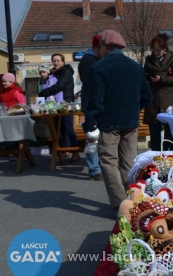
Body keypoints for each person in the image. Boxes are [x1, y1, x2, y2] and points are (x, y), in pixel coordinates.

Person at [83, 30, 152, 209]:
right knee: (130, 164)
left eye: (100, 47)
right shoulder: (136, 67)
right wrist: (133, 108)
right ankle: (135, 203)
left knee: (109, 164)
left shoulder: (99, 68)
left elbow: (95, 101)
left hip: (108, 124)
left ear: (105, 46)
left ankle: (121, 205)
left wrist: (90, 123)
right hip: (130, 122)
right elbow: (147, 97)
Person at [38, 53, 80, 162]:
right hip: (57, 104)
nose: (56, 63)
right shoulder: (56, 73)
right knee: (60, 129)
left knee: (68, 128)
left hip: (67, 103)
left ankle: (75, 152)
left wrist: (43, 93)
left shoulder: (66, 72)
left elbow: (59, 86)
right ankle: (65, 152)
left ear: (63, 61)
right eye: (54, 61)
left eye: (58, 60)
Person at [143, 33, 173, 151]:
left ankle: (170, 157)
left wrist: (162, 78)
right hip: (153, 102)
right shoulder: (149, 60)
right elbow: (143, 77)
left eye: (158, 50)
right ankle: (155, 158)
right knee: (154, 134)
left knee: (169, 134)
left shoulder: (172, 59)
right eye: (153, 49)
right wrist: (147, 78)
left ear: (164, 49)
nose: (155, 52)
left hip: (168, 101)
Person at [78, 34, 103, 181]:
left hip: (93, 103)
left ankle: (97, 168)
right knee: (92, 137)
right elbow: (92, 84)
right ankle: (94, 170)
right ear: (97, 47)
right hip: (91, 104)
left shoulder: (95, 59)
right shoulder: (89, 60)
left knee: (95, 137)